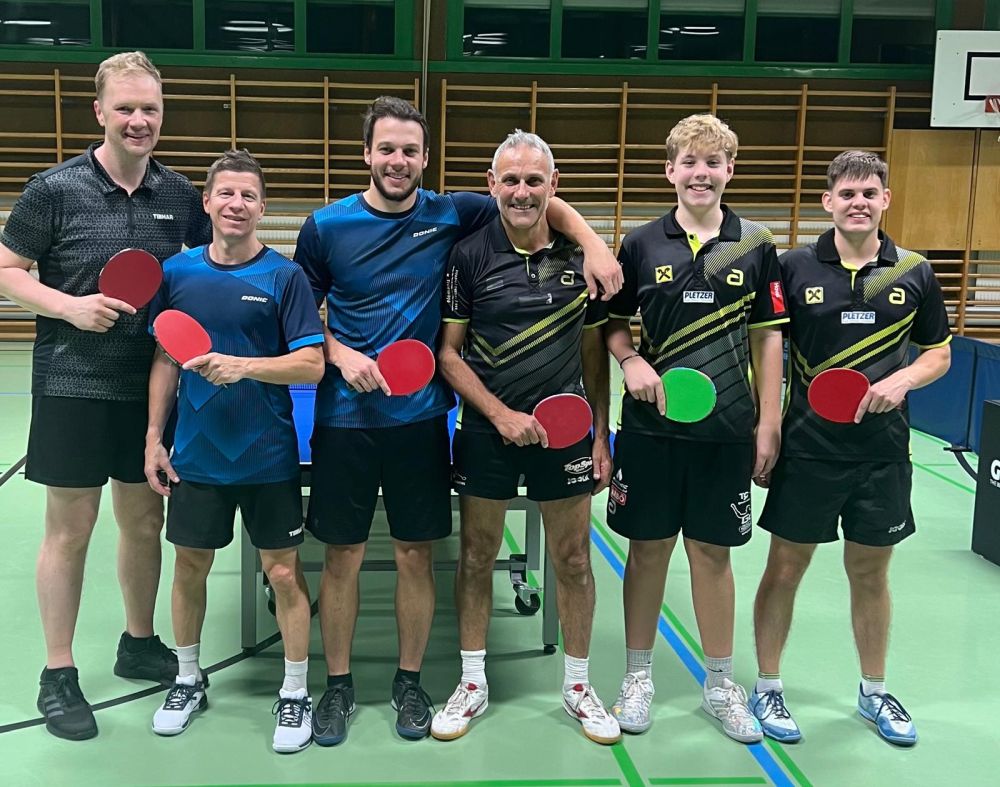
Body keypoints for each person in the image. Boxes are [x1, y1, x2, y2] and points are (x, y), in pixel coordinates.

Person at [293, 96, 622, 745]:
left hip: (424, 419)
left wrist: (591, 241)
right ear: (367, 154)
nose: (398, 160)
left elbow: (538, 203)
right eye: (387, 149)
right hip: (348, 417)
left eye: (410, 150)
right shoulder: (326, 226)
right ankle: (343, 687)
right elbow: (300, 309)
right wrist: (338, 352)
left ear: (426, 158)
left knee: (423, 554)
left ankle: (419, 682)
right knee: (347, 557)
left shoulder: (451, 213)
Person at [0, 51, 211, 741]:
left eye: (150, 108)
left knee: (144, 521)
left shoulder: (181, 196)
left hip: (149, 389)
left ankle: (138, 640)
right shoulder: (54, 189)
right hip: (72, 383)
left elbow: (200, 275)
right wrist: (67, 306)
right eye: (125, 108)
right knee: (71, 528)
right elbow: (7, 268)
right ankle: (58, 671)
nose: (138, 119)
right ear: (99, 111)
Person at [749, 151, 951, 747]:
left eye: (868, 193)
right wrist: (767, 425)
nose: (858, 202)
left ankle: (873, 691)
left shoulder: (913, 271)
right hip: (808, 448)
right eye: (847, 193)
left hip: (882, 452)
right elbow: (766, 345)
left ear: (885, 200)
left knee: (870, 572)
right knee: (785, 568)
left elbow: (938, 352)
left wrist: (903, 379)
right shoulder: (793, 267)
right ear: (827, 202)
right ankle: (767, 685)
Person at [603, 114, 787, 743]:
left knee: (712, 554)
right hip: (650, 430)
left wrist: (768, 421)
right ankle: (637, 676)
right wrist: (629, 359)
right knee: (647, 549)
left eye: (712, 163)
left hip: (727, 430)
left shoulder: (756, 244)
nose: (700, 173)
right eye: (689, 162)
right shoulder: (640, 244)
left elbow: (768, 338)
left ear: (729, 171)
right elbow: (612, 323)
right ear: (670, 171)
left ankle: (719, 684)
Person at [431, 130, 618, 744]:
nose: (521, 191)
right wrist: (500, 415)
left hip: (565, 434)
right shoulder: (468, 255)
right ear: (492, 185)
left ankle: (579, 686)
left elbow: (593, 354)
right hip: (487, 431)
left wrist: (600, 434)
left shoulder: (580, 259)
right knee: (477, 556)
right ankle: (472, 681)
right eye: (509, 179)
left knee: (573, 559)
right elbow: (449, 354)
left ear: (552, 187)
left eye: (534, 180)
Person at [144, 149, 324, 753]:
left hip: (267, 454)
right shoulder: (177, 273)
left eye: (248, 195)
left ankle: (295, 691)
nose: (236, 204)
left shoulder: (284, 277)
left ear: (262, 207)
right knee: (189, 567)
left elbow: (311, 362)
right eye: (226, 193)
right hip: (197, 454)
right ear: (207, 202)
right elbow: (166, 358)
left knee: (284, 572)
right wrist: (154, 438)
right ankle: (187, 679)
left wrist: (244, 366)